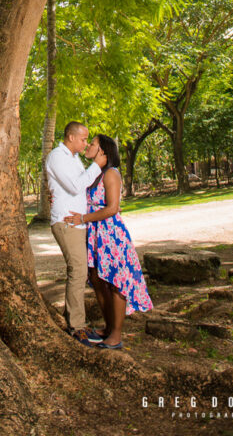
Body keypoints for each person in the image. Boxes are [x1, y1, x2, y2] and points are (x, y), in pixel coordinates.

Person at [64, 134, 153, 349]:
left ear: (102, 151)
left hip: (111, 236)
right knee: (97, 280)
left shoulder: (111, 174)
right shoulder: (94, 174)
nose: (88, 146)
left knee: (115, 283)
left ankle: (116, 335)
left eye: (92, 144)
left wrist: (83, 218)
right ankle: (109, 326)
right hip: (95, 236)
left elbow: (112, 208)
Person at [44, 121, 101, 341]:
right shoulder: (57, 157)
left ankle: (75, 320)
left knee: (81, 271)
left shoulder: (74, 159)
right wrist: (97, 164)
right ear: (71, 137)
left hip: (78, 222)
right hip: (66, 222)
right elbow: (75, 186)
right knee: (77, 270)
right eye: (83, 139)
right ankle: (76, 326)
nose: (85, 143)